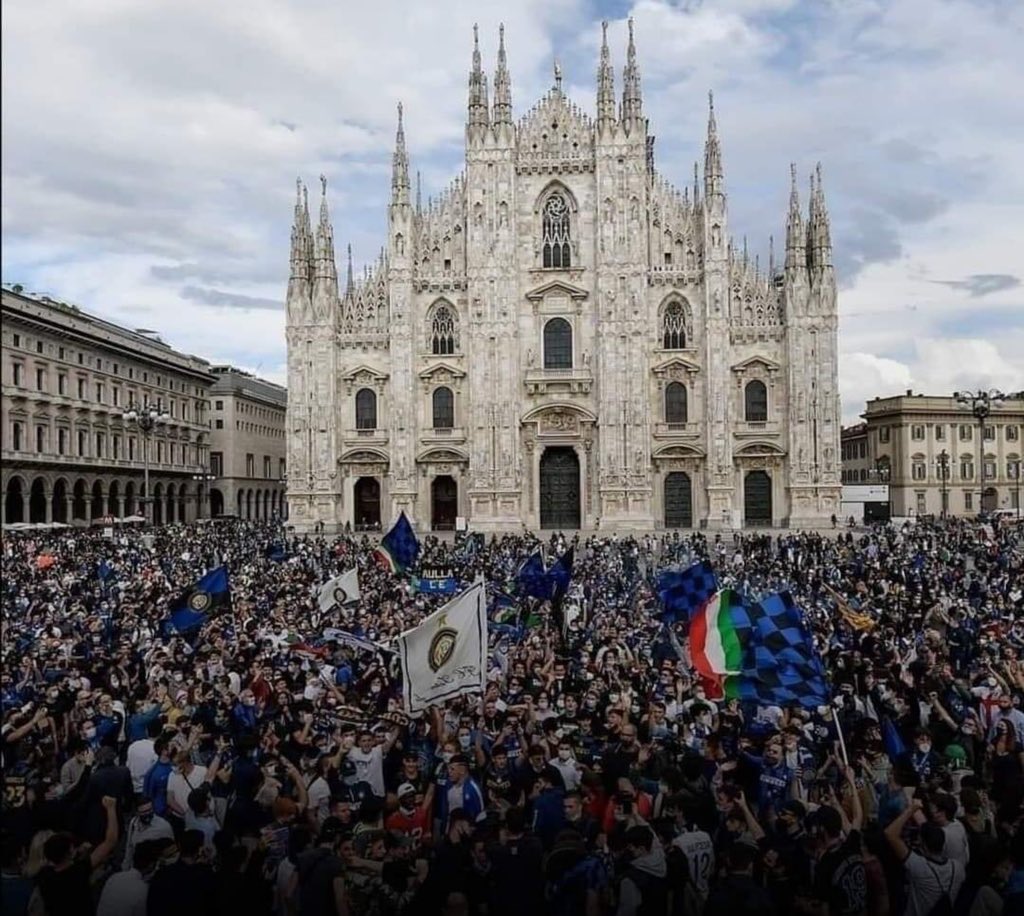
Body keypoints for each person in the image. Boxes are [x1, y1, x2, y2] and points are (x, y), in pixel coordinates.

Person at [35, 796, 119, 916]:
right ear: (70, 852)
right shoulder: (79, 871)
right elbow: (110, 841)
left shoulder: (44, 876)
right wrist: (111, 808)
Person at [885, 799, 965, 916]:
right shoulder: (958, 868)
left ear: (924, 847)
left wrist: (911, 809)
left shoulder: (919, 867)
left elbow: (890, 834)